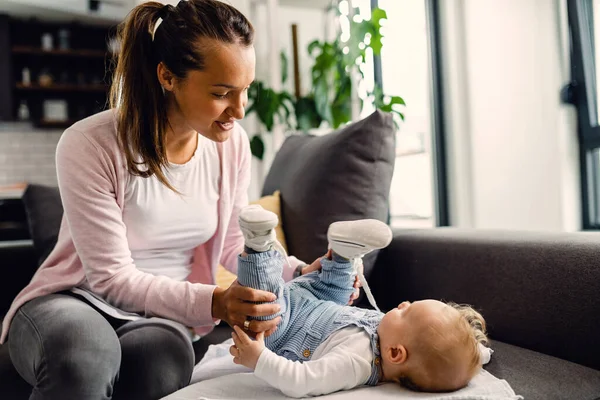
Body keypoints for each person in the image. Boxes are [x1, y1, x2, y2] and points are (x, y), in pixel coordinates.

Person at [2, 1, 355, 399]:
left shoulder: (231, 146)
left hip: (158, 317)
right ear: (167, 76)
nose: (238, 111)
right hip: (76, 300)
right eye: (222, 93)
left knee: (165, 358)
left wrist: (301, 272)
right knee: (84, 354)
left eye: (245, 91)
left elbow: (235, 243)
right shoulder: (90, 144)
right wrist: (216, 302)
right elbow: (110, 278)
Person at [228, 205, 490, 398]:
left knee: (262, 309)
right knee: (337, 288)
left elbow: (301, 381)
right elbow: (465, 352)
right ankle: (343, 253)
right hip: (317, 300)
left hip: (283, 329)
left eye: (405, 313)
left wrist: (258, 358)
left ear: (395, 353)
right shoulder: (396, 336)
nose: (402, 304)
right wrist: (475, 352)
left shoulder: (355, 363)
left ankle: (259, 245)